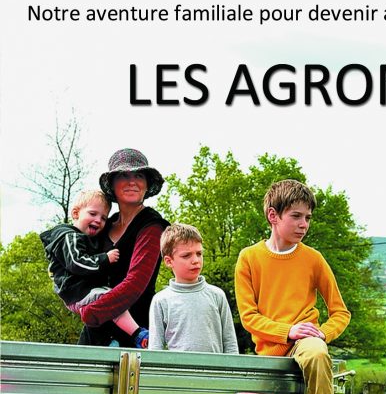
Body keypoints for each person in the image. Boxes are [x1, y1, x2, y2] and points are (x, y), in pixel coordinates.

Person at [234, 179, 350, 394]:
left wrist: (321, 334)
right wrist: (288, 331)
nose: (303, 224)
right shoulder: (248, 258)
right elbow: (248, 317)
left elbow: (340, 312)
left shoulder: (313, 259)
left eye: (308, 217)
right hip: (268, 351)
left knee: (317, 352)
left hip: (307, 343)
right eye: (296, 216)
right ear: (273, 216)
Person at [69, 149, 169, 347]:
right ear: (112, 185)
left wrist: (92, 312)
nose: (132, 181)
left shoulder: (152, 225)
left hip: (135, 333)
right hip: (95, 333)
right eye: (124, 175)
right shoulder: (104, 223)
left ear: (147, 184)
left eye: (139, 175)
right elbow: (80, 261)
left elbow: (136, 283)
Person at [40, 189, 149, 347]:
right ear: (76, 213)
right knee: (112, 299)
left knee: (110, 306)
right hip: (76, 291)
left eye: (103, 218)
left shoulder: (86, 238)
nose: (98, 220)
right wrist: (104, 259)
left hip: (82, 290)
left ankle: (112, 340)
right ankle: (137, 334)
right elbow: (76, 263)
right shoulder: (68, 237)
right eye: (92, 214)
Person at [149, 224, 239, 354]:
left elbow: (230, 343)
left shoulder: (217, 295)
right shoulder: (161, 300)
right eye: (186, 256)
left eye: (199, 253)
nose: (196, 260)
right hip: (179, 373)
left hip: (215, 373)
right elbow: (155, 349)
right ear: (169, 261)